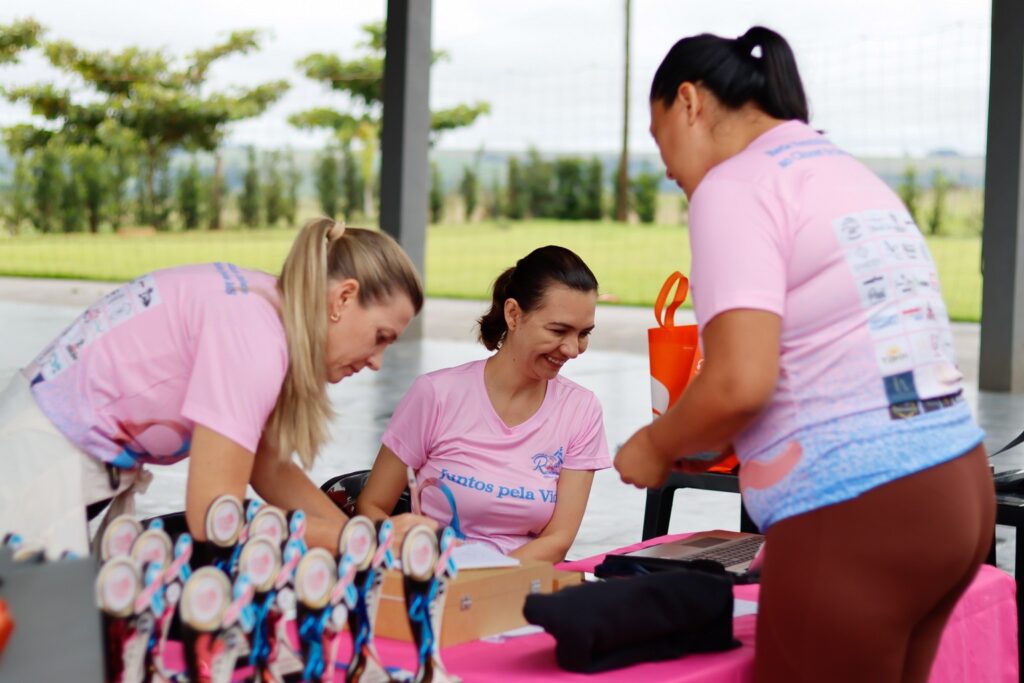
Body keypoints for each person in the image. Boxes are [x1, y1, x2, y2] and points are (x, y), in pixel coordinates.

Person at [614, 26, 994, 683]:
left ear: (689, 103)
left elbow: (738, 381)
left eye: (658, 139)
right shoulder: (839, 170)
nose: (667, 167)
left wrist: (653, 444)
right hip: (957, 489)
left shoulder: (734, 185)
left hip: (862, 509)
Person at [0, 218, 423, 556]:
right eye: (380, 336)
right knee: (38, 653)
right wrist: (366, 542)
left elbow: (269, 467)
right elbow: (213, 515)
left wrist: (358, 544)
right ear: (343, 298)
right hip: (36, 460)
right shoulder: (254, 338)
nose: (376, 361)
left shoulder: (265, 308)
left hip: (46, 450)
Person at [357, 245, 611, 562]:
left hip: (519, 585)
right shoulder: (436, 394)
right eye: (558, 330)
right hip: (435, 580)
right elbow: (372, 508)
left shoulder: (581, 410)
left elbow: (558, 540)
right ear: (514, 314)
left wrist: (486, 580)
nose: (573, 349)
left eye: (584, 333)